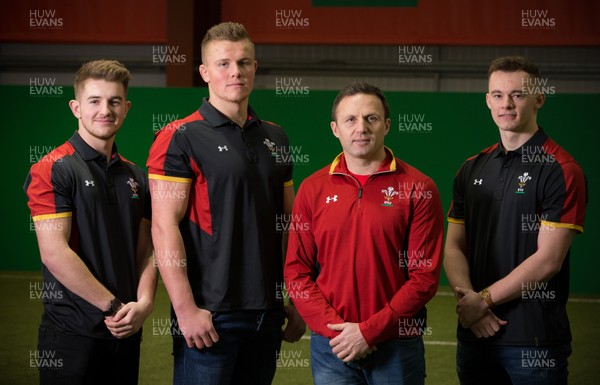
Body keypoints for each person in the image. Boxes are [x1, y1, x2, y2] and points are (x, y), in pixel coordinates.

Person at [146, 22, 305, 385]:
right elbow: (163, 226)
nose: (236, 71)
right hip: (210, 316)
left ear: (255, 68)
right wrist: (186, 311)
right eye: (223, 64)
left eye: (244, 62)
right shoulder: (179, 136)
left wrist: (294, 296)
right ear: (204, 72)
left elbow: (289, 224)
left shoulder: (275, 137)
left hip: (267, 312)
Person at [284, 81, 444, 384]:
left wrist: (368, 332)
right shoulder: (312, 189)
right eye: (350, 120)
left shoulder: (419, 188)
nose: (361, 128)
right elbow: (296, 273)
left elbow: (424, 278)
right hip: (332, 346)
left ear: (386, 125)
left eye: (371, 118)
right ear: (335, 129)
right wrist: (339, 332)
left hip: (397, 345)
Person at [444, 56, 587, 385]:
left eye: (518, 95)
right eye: (497, 95)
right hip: (474, 336)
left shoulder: (561, 169)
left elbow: (548, 260)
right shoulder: (471, 167)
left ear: (539, 99)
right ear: (487, 100)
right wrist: (468, 301)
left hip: (532, 343)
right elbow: (453, 245)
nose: (506, 104)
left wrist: (482, 301)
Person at [24, 59, 157, 385]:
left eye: (114, 101)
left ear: (126, 108)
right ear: (76, 107)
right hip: (71, 335)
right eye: (94, 101)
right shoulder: (54, 167)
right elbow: (54, 253)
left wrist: (144, 304)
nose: (105, 110)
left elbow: (148, 251)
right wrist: (113, 306)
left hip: (126, 332)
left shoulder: (137, 175)